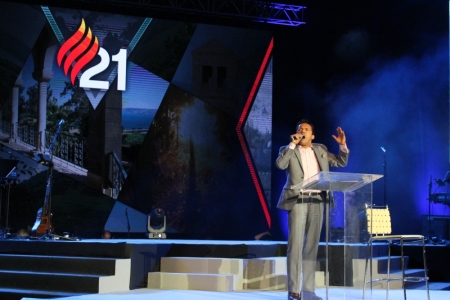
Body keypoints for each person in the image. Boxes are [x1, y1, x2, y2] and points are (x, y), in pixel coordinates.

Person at [276, 119, 349, 300]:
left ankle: (308, 291)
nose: (302, 131)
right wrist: (292, 143)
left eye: (306, 129)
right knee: (295, 246)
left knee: (311, 247)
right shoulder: (289, 150)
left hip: (317, 200)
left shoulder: (321, 150)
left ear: (312, 135)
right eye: (300, 128)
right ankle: (294, 291)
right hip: (298, 200)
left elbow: (341, 163)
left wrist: (343, 146)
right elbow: (280, 164)